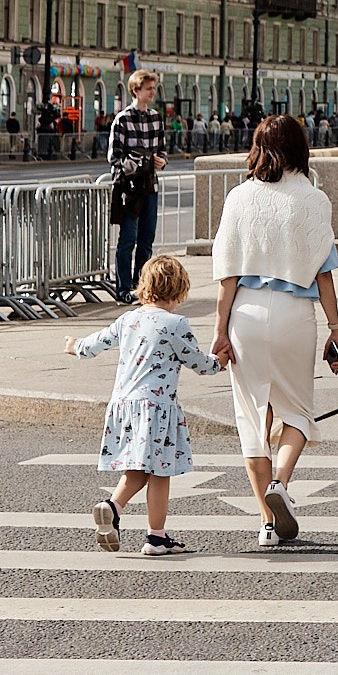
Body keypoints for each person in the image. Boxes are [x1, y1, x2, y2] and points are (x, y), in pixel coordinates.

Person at [208, 116, 338, 549]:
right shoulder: (314, 199)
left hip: (245, 313)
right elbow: (323, 274)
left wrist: (220, 331)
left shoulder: (238, 197)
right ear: (300, 148)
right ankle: (280, 483)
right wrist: (336, 328)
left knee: (253, 420)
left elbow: (227, 275)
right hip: (294, 313)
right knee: (298, 413)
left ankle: (267, 524)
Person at [68, 253, 221, 557]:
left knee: (137, 468)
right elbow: (198, 363)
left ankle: (113, 506)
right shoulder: (175, 323)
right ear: (179, 291)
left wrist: (75, 346)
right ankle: (156, 536)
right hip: (155, 408)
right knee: (160, 472)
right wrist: (219, 362)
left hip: (124, 406)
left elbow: (97, 342)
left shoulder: (128, 319)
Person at [106, 71, 170, 303]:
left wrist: (161, 161)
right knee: (128, 240)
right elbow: (114, 157)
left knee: (146, 240)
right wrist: (133, 167)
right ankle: (123, 290)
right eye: (148, 88)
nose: (152, 92)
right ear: (135, 91)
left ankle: (141, 287)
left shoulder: (156, 118)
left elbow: (162, 150)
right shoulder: (122, 119)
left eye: (153, 88)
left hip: (150, 186)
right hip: (130, 189)